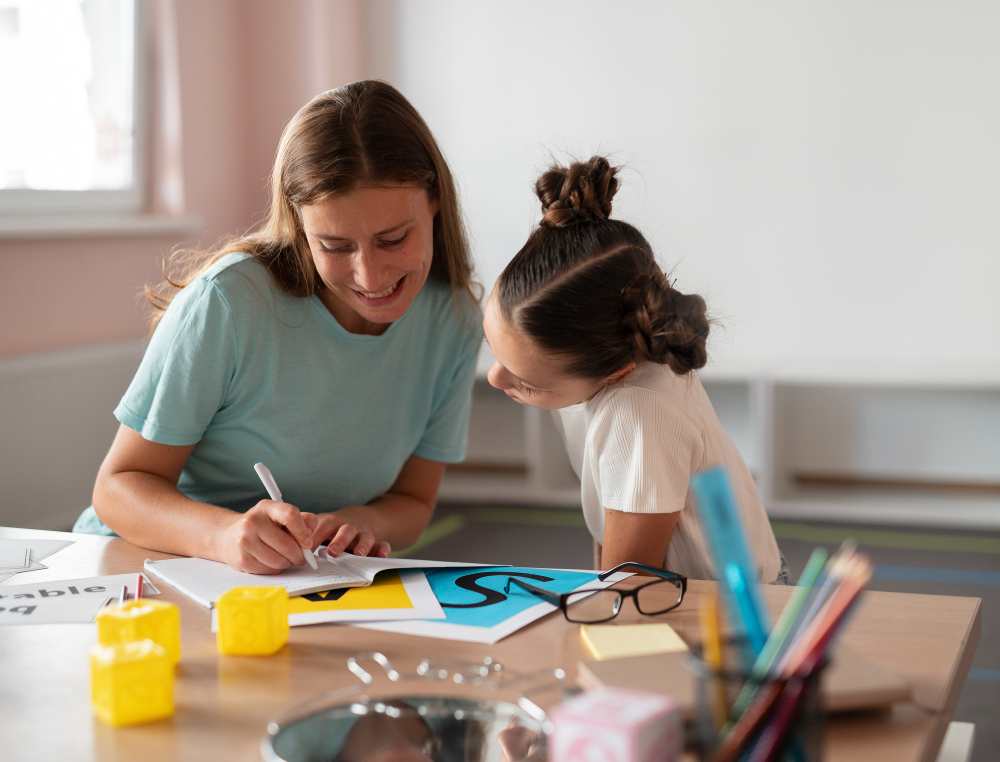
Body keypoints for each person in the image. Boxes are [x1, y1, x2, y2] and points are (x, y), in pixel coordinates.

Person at [75, 81, 482, 574]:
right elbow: (117, 490)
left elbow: (413, 503)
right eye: (334, 247)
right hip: (142, 568)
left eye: (393, 239)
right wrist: (224, 534)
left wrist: (361, 521)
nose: (370, 276)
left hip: (303, 579)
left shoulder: (453, 320)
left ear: (435, 199)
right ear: (299, 226)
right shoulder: (229, 302)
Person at [482, 156, 785, 583]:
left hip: (736, 606)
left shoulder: (637, 412)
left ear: (615, 371)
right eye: (492, 347)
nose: (495, 378)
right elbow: (611, 530)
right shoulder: (584, 374)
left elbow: (626, 585)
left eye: (527, 383)